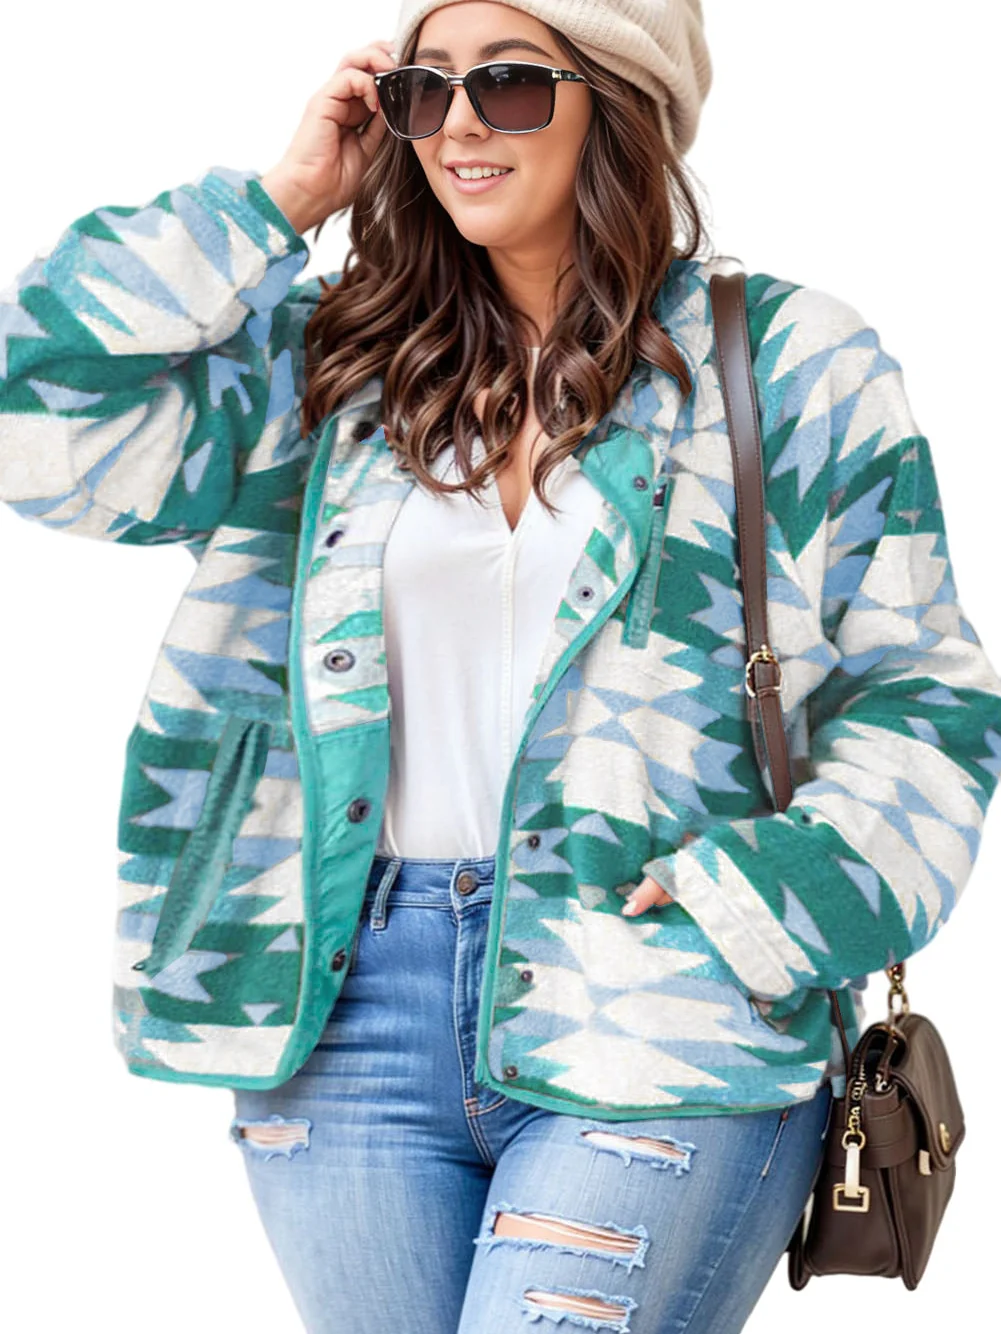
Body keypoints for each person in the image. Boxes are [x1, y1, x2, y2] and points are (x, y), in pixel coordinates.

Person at [2, 1, 1000, 1330]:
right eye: (424, 88)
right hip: (346, 1013)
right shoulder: (328, 371)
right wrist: (276, 200)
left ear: (618, 102)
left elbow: (923, 693)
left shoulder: (789, 362)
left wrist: (764, 906)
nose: (459, 123)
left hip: (657, 997)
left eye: (512, 83)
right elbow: (33, 411)